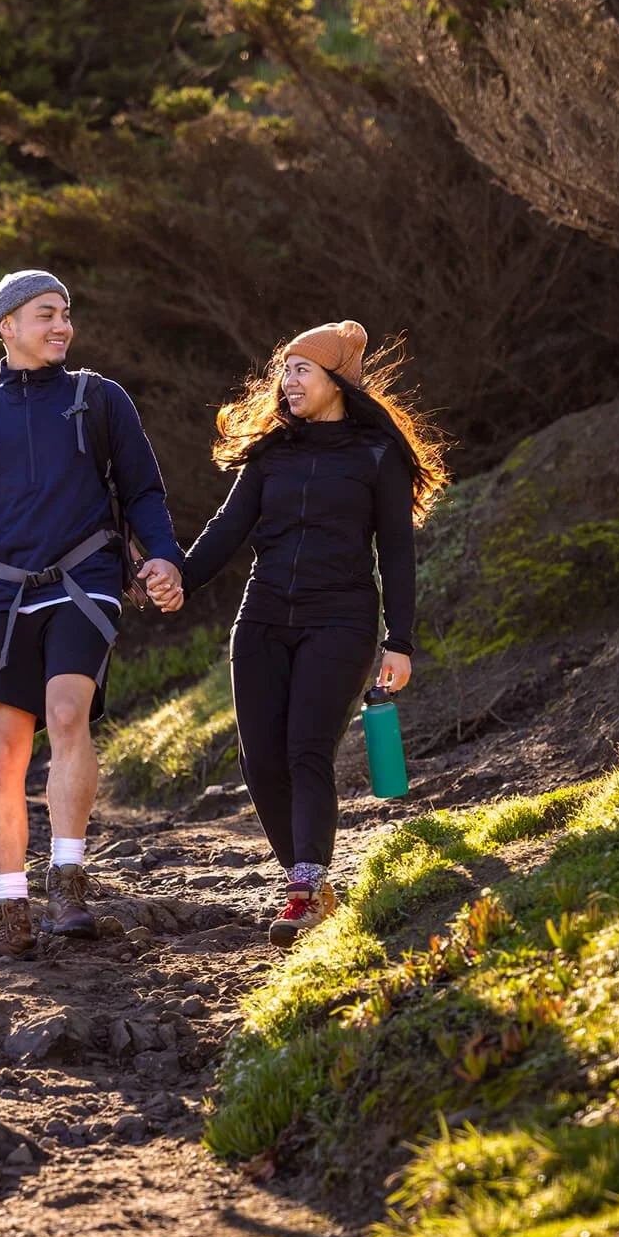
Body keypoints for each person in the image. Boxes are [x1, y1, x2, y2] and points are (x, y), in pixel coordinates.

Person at [0, 269, 183, 958]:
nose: (61, 326)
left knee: (66, 713)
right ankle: (11, 912)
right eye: (45, 314)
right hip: (0, 593)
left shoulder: (101, 400)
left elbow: (144, 491)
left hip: (84, 579)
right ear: (7, 326)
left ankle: (68, 881)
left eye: (65, 314)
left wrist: (165, 557)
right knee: (5, 753)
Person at [153, 320, 449, 948]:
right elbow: (225, 531)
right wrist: (177, 578)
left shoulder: (377, 455)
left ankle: (307, 886)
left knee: (305, 750)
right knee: (259, 759)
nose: (287, 382)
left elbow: (396, 551)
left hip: (340, 619)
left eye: (301, 370)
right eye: (284, 370)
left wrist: (401, 641)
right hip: (261, 617)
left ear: (336, 380)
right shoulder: (271, 454)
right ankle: (305, 878)